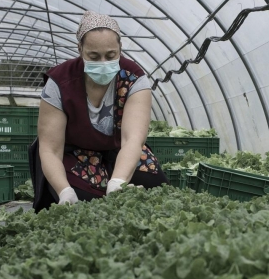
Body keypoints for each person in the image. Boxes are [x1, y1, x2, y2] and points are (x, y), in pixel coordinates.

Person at [33, 11, 168, 209]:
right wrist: (64, 191)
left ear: (120, 48)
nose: (104, 63)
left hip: (119, 151)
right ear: (80, 49)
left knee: (152, 185)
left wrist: (118, 182)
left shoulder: (134, 78)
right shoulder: (60, 82)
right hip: (75, 154)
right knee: (82, 196)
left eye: (111, 55)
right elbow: (50, 148)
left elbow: (133, 139)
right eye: (94, 56)